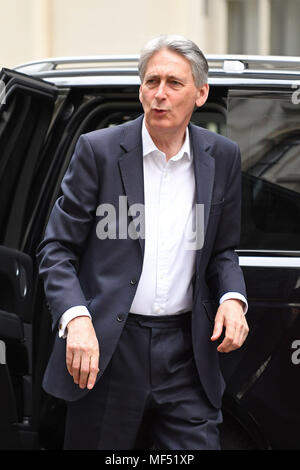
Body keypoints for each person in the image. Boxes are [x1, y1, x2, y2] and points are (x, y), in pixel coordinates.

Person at [37, 34, 249, 450]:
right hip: (110, 350)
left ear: (201, 93)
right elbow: (56, 248)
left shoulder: (222, 156)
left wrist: (232, 297)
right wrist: (76, 319)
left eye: (174, 83)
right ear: (140, 89)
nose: (160, 95)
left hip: (188, 351)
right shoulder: (98, 151)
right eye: (152, 82)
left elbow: (222, 250)